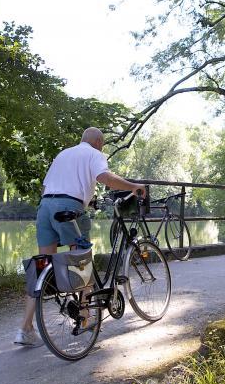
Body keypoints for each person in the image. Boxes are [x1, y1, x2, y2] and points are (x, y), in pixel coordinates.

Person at [14, 127, 147, 346]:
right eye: (102, 144)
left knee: (42, 265)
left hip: (46, 207)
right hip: (69, 207)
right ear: (97, 141)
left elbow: (49, 187)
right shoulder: (94, 154)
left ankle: (25, 328)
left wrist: (85, 199)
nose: (102, 147)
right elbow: (104, 177)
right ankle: (86, 320)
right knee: (81, 260)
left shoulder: (64, 154)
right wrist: (133, 186)